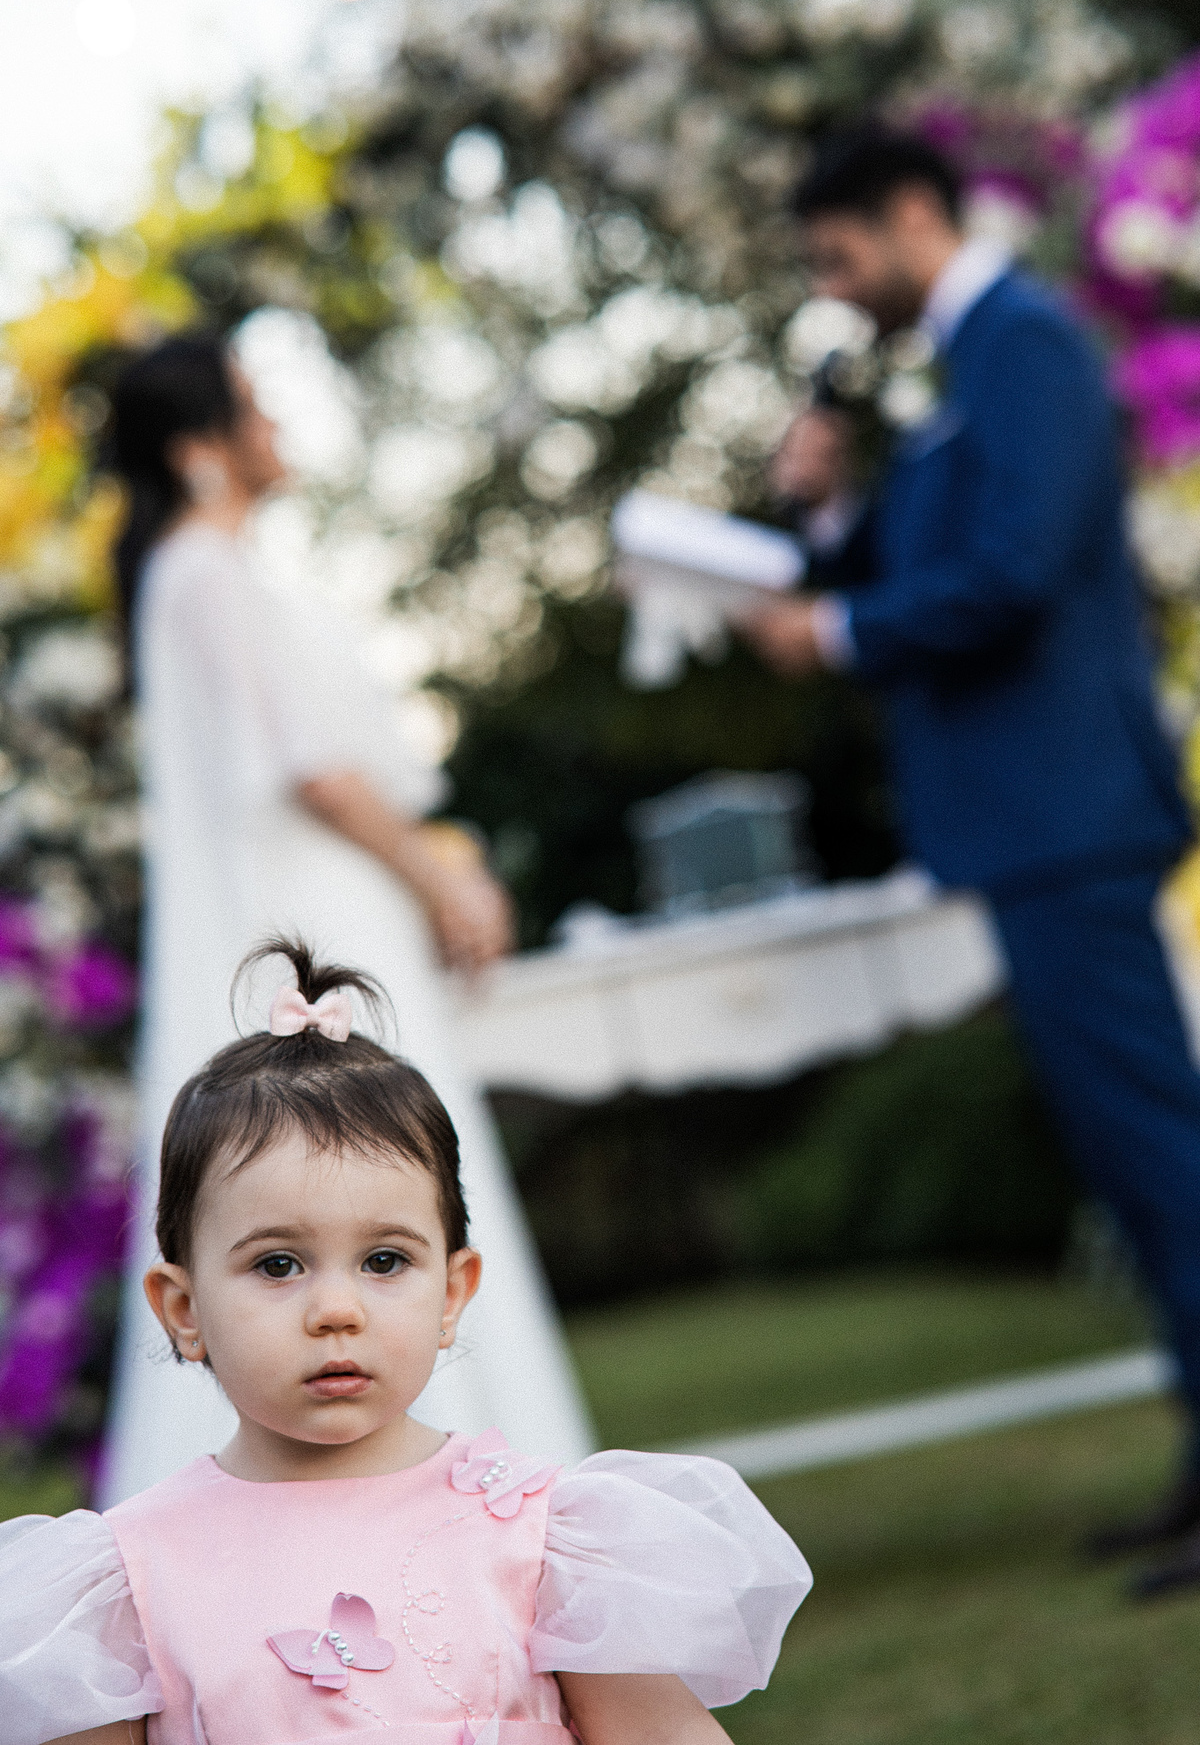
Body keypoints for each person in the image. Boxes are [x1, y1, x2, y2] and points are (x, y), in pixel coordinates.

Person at [740, 127, 1200, 1598]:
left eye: (838, 254)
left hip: (1071, 814)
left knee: (1167, 1160)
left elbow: (1010, 569)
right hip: (1027, 828)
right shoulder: (954, 369)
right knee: (1139, 1176)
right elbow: (909, 554)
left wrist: (841, 634)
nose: (833, 286)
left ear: (915, 214)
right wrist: (823, 512)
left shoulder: (1028, 344)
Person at [0, 939, 812, 1745]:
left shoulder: (546, 1539)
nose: (336, 1309)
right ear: (184, 1309)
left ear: (453, 1292)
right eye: (278, 1263)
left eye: (384, 1260)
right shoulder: (130, 1581)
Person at [102, 335, 593, 1505]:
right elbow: (313, 770)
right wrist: (443, 878)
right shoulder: (208, 576)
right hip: (314, 921)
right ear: (199, 450)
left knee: (376, 1180)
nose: (276, 427)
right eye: (253, 409)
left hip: (320, 901)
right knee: (366, 1175)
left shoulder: (197, 577)